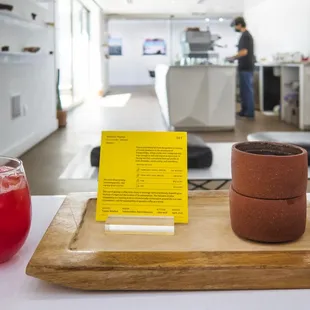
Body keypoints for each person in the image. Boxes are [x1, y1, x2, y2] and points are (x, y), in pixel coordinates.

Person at [227, 16, 255, 119]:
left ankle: (249, 113)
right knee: (243, 91)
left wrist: (233, 58)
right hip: (243, 67)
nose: (235, 28)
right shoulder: (244, 35)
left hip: (246, 67)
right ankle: (244, 111)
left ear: (239, 25)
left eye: (235, 26)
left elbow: (244, 52)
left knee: (247, 90)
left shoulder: (246, 36)